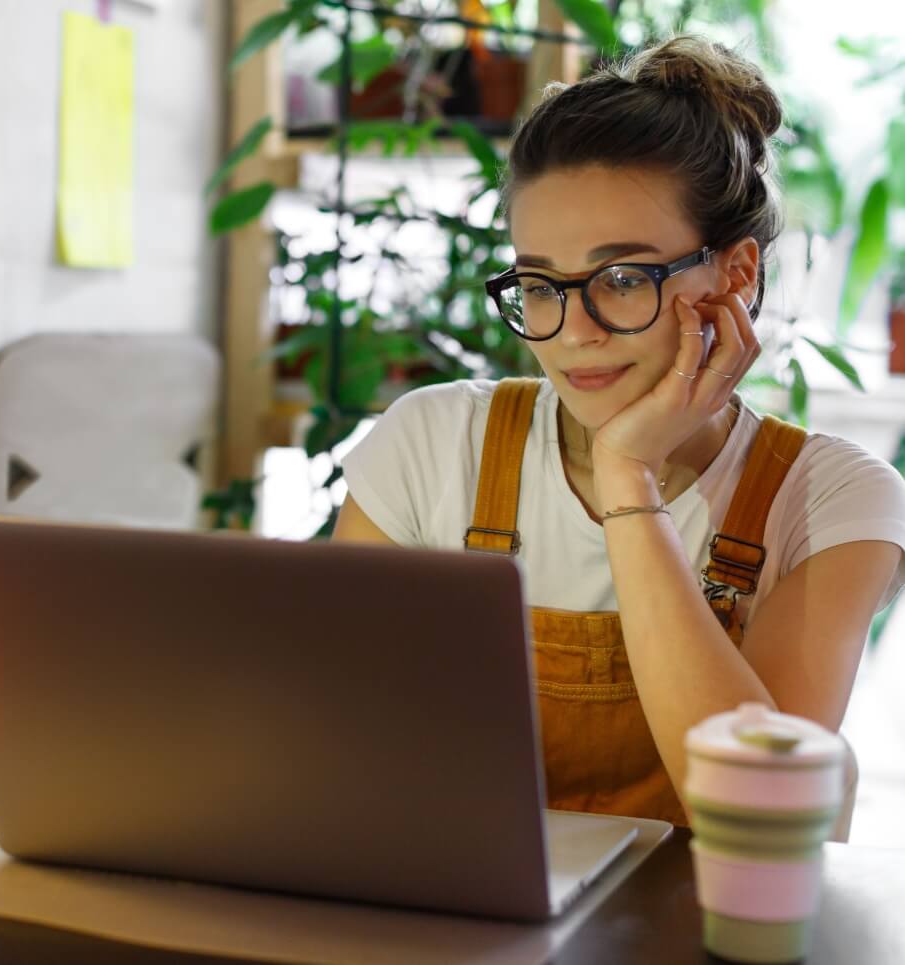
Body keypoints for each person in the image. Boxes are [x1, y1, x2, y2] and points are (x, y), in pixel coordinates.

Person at [332, 35, 905, 826]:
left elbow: (760, 810)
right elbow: (332, 739)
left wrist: (628, 476)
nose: (571, 332)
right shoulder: (433, 442)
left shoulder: (832, 499)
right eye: (539, 284)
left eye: (623, 279)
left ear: (734, 274)